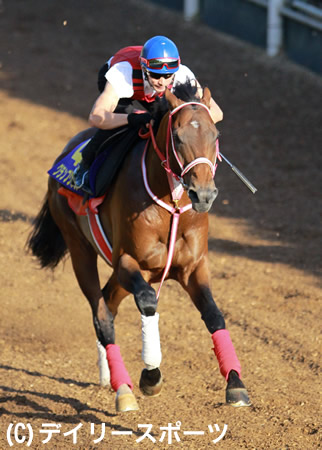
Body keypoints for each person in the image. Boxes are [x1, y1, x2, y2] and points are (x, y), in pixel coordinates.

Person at [72, 35, 223, 193]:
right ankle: (85, 165)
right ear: (144, 70)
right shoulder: (123, 74)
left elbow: (217, 113)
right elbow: (96, 117)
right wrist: (131, 118)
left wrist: (192, 126)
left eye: (167, 76)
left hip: (151, 94)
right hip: (125, 90)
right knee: (120, 125)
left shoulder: (182, 75)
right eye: (156, 75)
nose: (162, 82)